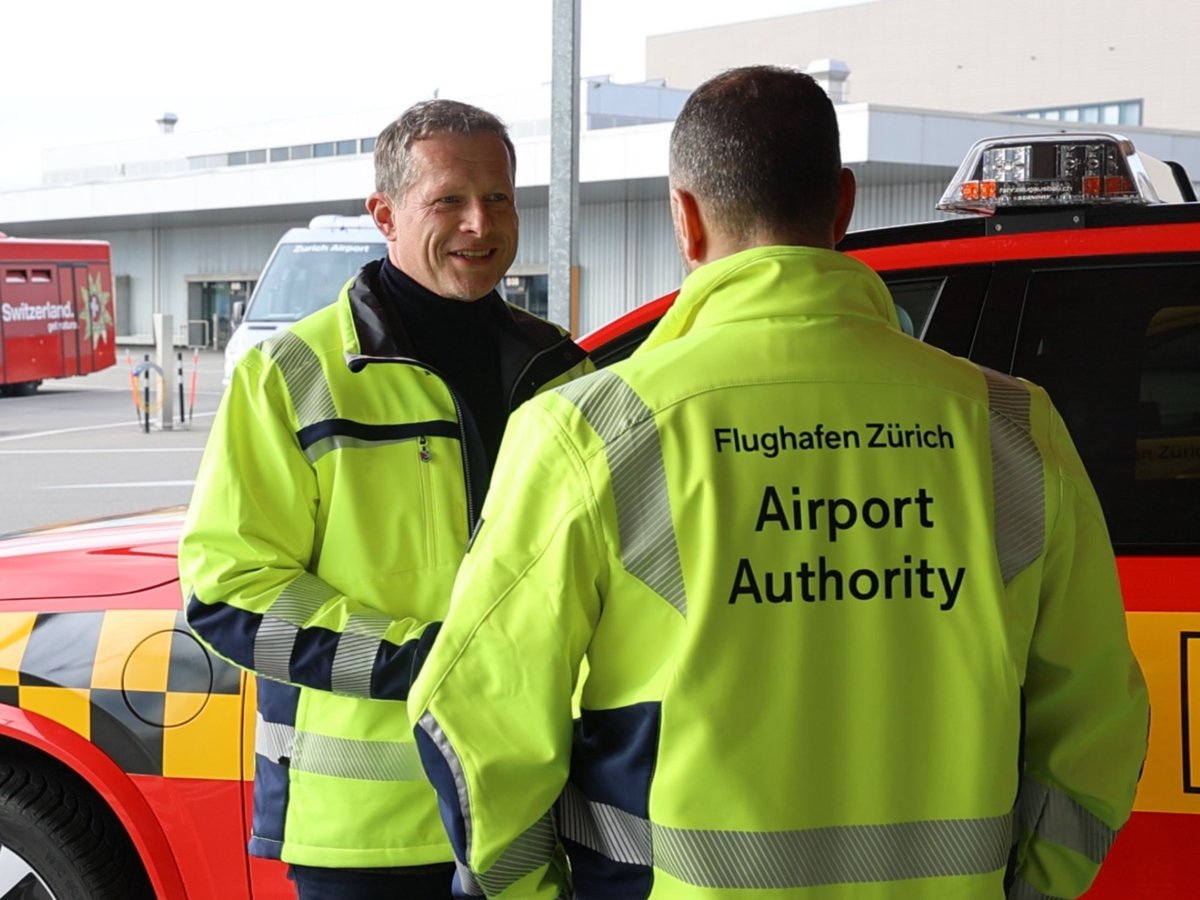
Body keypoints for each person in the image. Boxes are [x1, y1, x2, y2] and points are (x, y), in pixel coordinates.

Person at [407, 66, 1150, 899]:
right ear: (842, 205)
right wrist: (1039, 886)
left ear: (684, 219)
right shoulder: (1013, 426)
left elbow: (476, 721)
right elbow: (1097, 723)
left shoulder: (590, 431)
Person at [178, 99, 591, 900]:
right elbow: (225, 593)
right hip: (365, 838)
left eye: (499, 198)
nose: (481, 223)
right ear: (385, 214)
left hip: (538, 816)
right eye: (449, 200)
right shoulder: (294, 375)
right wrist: (434, 663)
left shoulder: (563, 375)